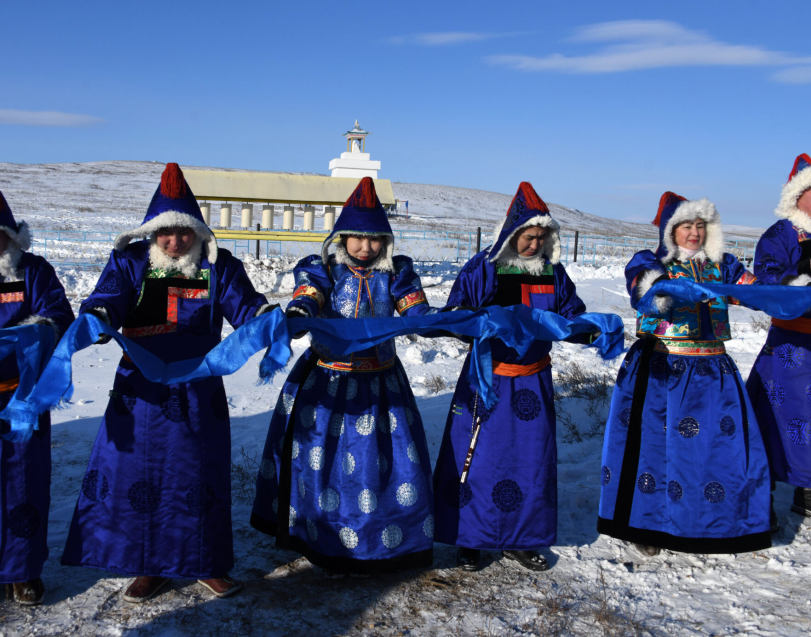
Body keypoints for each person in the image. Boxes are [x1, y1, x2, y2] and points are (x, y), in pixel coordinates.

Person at [61, 163, 271, 602]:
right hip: (140, 393)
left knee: (200, 475)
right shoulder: (130, 263)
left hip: (199, 392)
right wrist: (100, 316)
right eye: (165, 233)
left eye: (183, 232)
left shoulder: (220, 267)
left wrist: (267, 320)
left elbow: (247, 308)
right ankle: (149, 565)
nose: (174, 242)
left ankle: (206, 561)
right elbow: (108, 300)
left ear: (197, 232)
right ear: (151, 233)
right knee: (141, 475)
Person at [250, 177, 437, 576]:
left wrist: (440, 323)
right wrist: (300, 314)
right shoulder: (326, 270)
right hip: (328, 382)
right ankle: (321, 535)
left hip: (382, 383)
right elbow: (308, 297)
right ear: (341, 236)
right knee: (322, 461)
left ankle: (381, 541)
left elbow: (416, 310)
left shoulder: (397, 273)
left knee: (384, 464)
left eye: (374, 241)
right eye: (357, 238)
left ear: (386, 242)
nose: (365, 248)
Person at [597, 191, 771, 556]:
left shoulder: (723, 264)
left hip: (713, 369)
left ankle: (720, 521)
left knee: (716, 448)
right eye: (686, 226)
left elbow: (754, 291)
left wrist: (789, 294)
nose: (694, 233)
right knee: (656, 450)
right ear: (670, 231)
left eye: (700, 225)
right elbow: (643, 293)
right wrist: (666, 292)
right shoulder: (651, 262)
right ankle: (649, 525)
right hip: (663, 369)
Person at [431, 182, 589, 572]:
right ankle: (470, 539)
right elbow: (458, 312)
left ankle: (525, 538)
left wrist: (589, 327)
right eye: (527, 237)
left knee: (530, 460)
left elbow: (572, 313)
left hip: (533, 381)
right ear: (511, 234)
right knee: (478, 459)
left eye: (540, 238)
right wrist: (476, 320)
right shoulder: (483, 268)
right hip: (486, 378)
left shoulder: (553, 273)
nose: (534, 245)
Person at [0, 174, 74, 605]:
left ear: (9, 236)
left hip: (18, 399)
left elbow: (58, 317)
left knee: (19, 485)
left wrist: (29, 335)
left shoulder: (34, 272)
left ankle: (21, 570)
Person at [748, 153, 811, 519]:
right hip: (790, 346)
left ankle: (807, 489)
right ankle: (762, 495)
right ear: (797, 195)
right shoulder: (780, 234)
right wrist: (800, 270)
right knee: (774, 416)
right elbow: (766, 282)